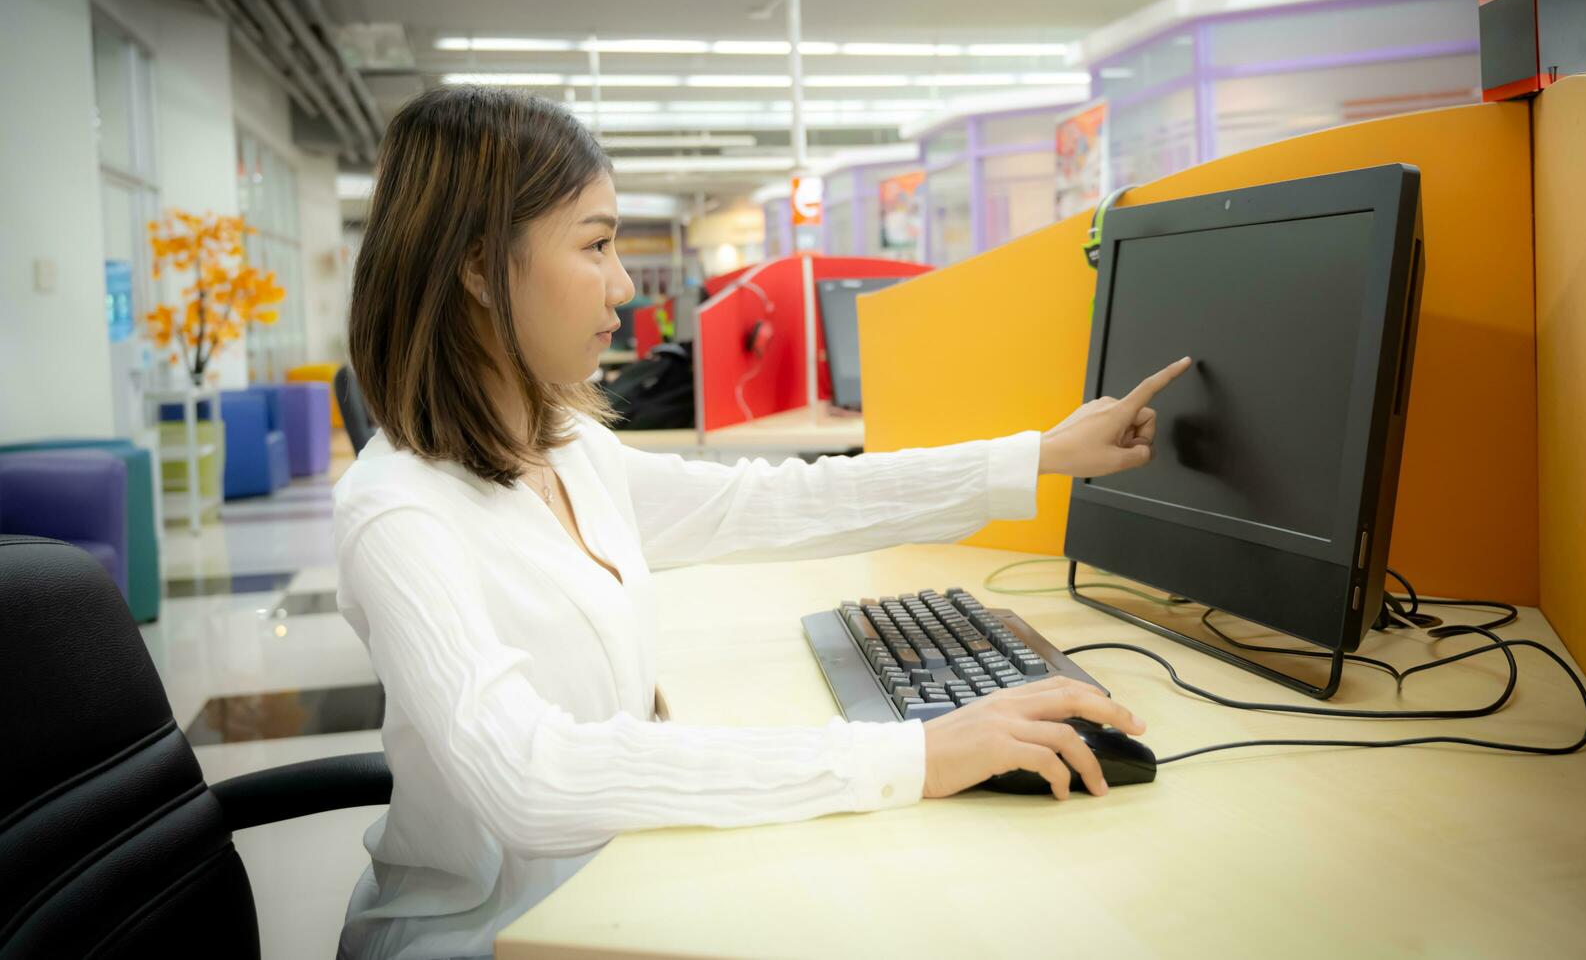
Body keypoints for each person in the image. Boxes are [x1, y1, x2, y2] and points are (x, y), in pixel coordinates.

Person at [333, 85, 1193, 960]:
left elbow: (774, 500)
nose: (625, 285)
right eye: (595, 244)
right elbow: (531, 781)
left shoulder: (571, 452)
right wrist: (910, 756)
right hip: (490, 937)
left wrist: (1037, 457)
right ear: (478, 267)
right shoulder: (398, 510)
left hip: (620, 886)